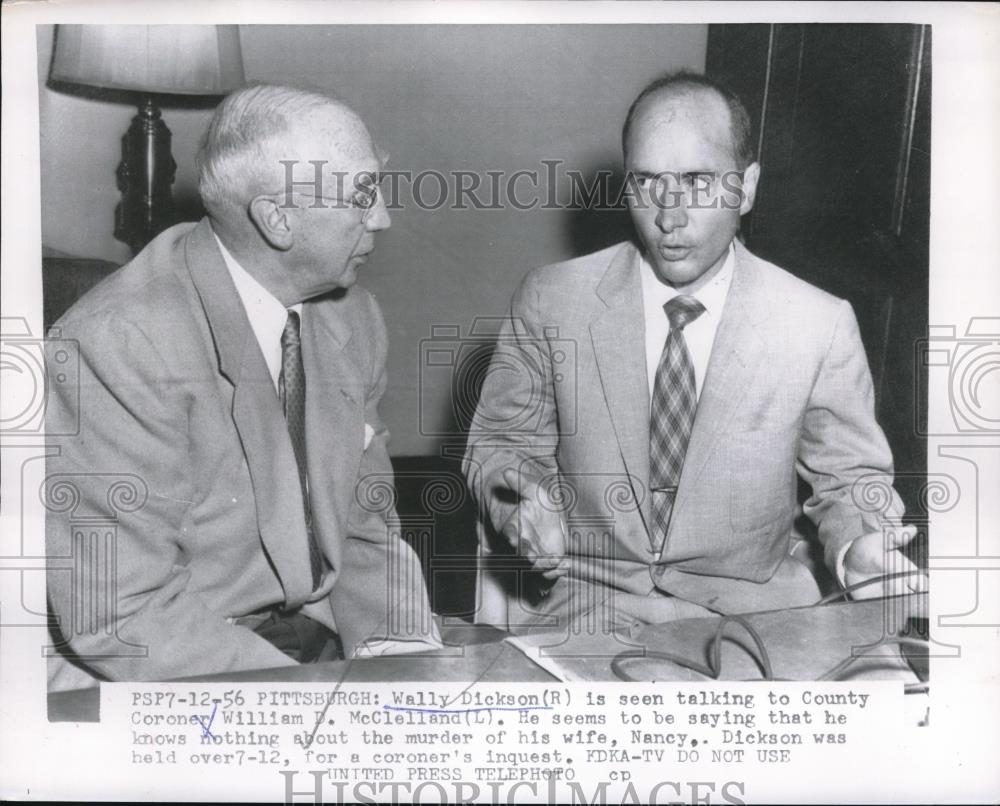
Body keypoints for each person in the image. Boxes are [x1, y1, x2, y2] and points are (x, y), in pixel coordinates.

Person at [463, 72, 925, 634]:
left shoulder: (818, 323)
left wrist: (857, 547)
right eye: (648, 183)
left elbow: (849, 480)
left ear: (747, 187)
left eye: (699, 182)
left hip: (755, 619)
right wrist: (521, 505)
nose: (670, 216)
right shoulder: (551, 298)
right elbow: (500, 445)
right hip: (581, 609)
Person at [45, 84, 439, 690]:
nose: (382, 217)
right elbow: (117, 616)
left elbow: (365, 526)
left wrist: (403, 656)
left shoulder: (352, 318)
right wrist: (314, 704)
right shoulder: (120, 342)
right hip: (162, 660)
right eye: (362, 195)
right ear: (277, 219)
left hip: (310, 634)